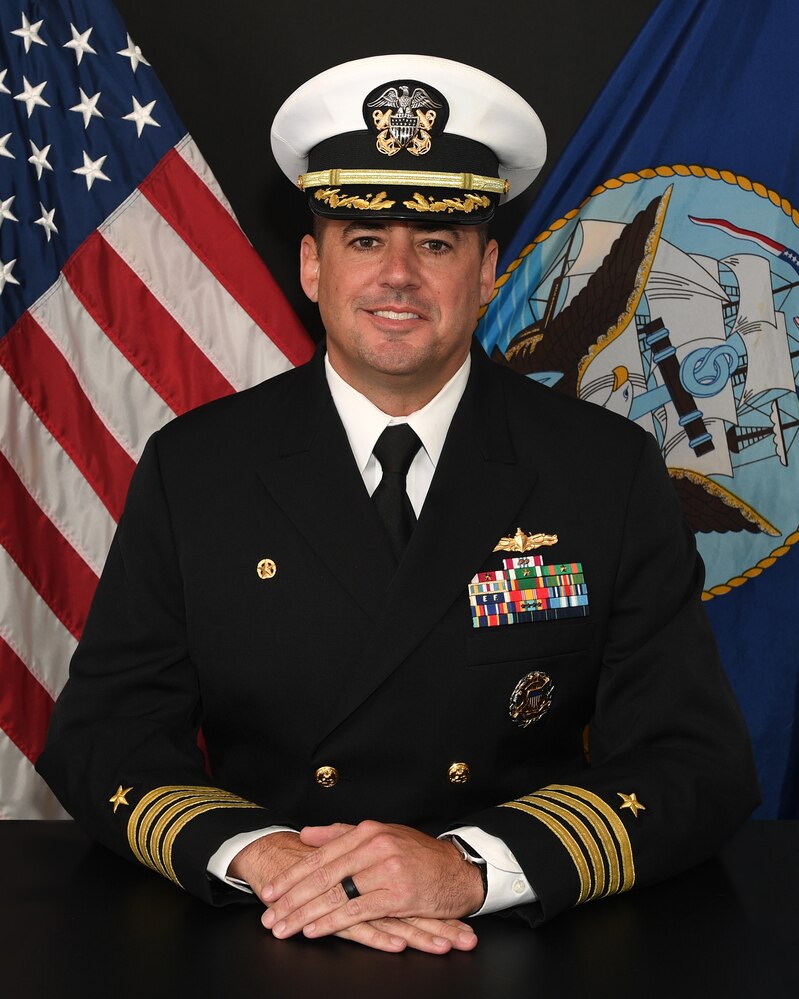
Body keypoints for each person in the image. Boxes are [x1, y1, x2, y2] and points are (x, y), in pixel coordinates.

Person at [37, 54, 759, 955]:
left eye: (438, 243)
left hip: (511, 938)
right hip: (269, 927)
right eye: (364, 239)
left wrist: (470, 866)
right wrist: (261, 855)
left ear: (488, 270)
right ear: (312, 265)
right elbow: (101, 737)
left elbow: (697, 758)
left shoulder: (603, 470)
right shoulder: (197, 469)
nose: (399, 276)